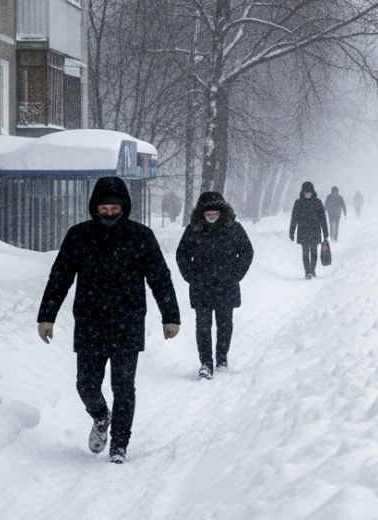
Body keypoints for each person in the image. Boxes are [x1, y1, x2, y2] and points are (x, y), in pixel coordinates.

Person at [36, 176, 180, 465]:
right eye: (104, 207)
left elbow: (160, 278)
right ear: (95, 207)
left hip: (128, 321)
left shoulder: (141, 236)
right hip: (90, 321)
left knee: (123, 387)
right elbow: (60, 277)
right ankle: (101, 416)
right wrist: (46, 316)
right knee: (86, 385)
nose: (110, 213)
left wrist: (170, 316)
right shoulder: (79, 235)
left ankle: (120, 445)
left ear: (124, 207)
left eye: (115, 208)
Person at [175, 191, 253, 380]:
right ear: (201, 213)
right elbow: (182, 255)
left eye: (214, 213)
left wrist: (236, 275)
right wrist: (190, 276)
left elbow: (247, 252)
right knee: (203, 325)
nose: (211, 217)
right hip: (201, 286)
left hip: (226, 285)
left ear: (222, 212)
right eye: (207, 213)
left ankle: (222, 359)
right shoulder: (193, 230)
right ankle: (206, 363)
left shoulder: (234, 229)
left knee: (225, 324)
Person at [289, 181, 329, 279]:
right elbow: (294, 218)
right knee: (306, 253)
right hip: (303, 231)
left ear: (312, 191)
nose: (308, 193)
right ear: (302, 191)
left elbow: (322, 217)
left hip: (315, 230)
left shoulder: (317, 202)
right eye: (306, 191)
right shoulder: (298, 202)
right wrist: (292, 231)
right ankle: (307, 272)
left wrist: (325, 231)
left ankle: (312, 270)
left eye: (309, 191)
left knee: (314, 252)